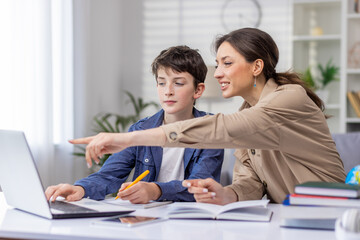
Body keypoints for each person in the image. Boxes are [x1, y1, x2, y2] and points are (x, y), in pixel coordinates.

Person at [69, 28, 345, 205]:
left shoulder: (290, 97)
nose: (217, 73)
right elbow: (250, 181)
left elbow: (225, 128)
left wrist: (128, 139)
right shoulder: (246, 113)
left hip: (330, 211)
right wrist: (227, 194)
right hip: (290, 217)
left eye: (227, 63)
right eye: (217, 65)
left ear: (256, 67)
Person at [45, 45, 224, 204]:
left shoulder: (211, 130)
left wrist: (155, 190)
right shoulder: (141, 130)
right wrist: (81, 189)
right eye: (162, 83)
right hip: (146, 217)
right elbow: (110, 175)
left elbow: (199, 187)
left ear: (198, 90)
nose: (168, 91)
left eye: (178, 83)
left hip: (190, 221)